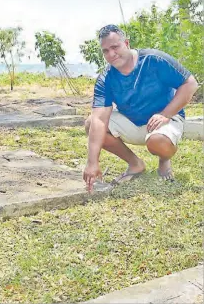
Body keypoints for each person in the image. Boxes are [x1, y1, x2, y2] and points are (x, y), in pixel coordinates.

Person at [83, 24, 198, 193]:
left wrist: (166, 114)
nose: (111, 54)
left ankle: (164, 159)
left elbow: (190, 83)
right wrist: (92, 162)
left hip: (165, 119)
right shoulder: (106, 78)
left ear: (127, 44)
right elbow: (99, 119)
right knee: (90, 123)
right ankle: (135, 164)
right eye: (105, 51)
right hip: (133, 122)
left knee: (157, 142)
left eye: (115, 47)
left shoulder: (154, 60)